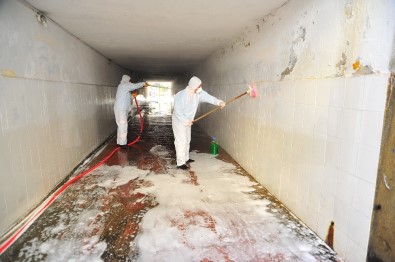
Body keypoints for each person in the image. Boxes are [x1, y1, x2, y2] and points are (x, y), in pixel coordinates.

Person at [172, 76, 225, 169]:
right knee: (181, 141)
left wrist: (219, 102)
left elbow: (209, 97)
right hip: (179, 121)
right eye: (199, 86)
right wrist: (185, 121)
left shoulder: (198, 93)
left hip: (189, 121)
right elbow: (177, 112)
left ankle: (186, 158)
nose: (200, 88)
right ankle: (180, 163)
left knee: (187, 140)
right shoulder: (181, 95)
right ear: (193, 86)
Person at [114, 75, 148, 149]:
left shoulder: (124, 88)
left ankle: (119, 142)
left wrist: (133, 96)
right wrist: (143, 84)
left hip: (121, 109)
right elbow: (134, 86)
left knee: (121, 126)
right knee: (123, 126)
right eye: (129, 80)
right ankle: (122, 144)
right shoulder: (123, 85)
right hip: (121, 109)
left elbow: (129, 98)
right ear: (126, 80)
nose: (130, 81)